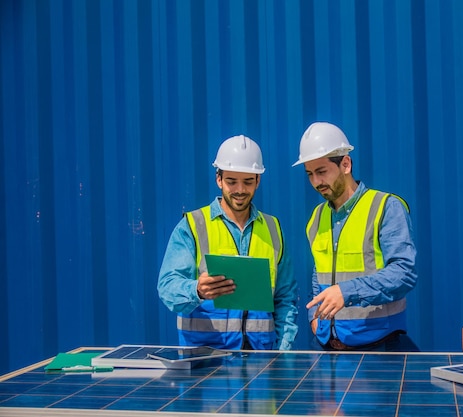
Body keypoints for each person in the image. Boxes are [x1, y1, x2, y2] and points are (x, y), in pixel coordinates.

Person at [158, 135, 298, 350]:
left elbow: (285, 298)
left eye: (248, 181)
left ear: (258, 181)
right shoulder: (193, 225)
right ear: (219, 179)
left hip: (261, 359)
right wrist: (197, 290)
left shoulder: (273, 228)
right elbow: (167, 287)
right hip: (205, 359)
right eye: (232, 181)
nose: (240, 190)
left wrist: (282, 351)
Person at [292, 122, 419, 351]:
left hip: (378, 350)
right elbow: (318, 271)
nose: (316, 182)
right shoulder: (317, 217)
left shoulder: (385, 207)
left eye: (322, 172)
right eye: (310, 174)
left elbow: (404, 273)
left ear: (346, 164)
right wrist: (314, 317)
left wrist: (347, 291)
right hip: (325, 347)